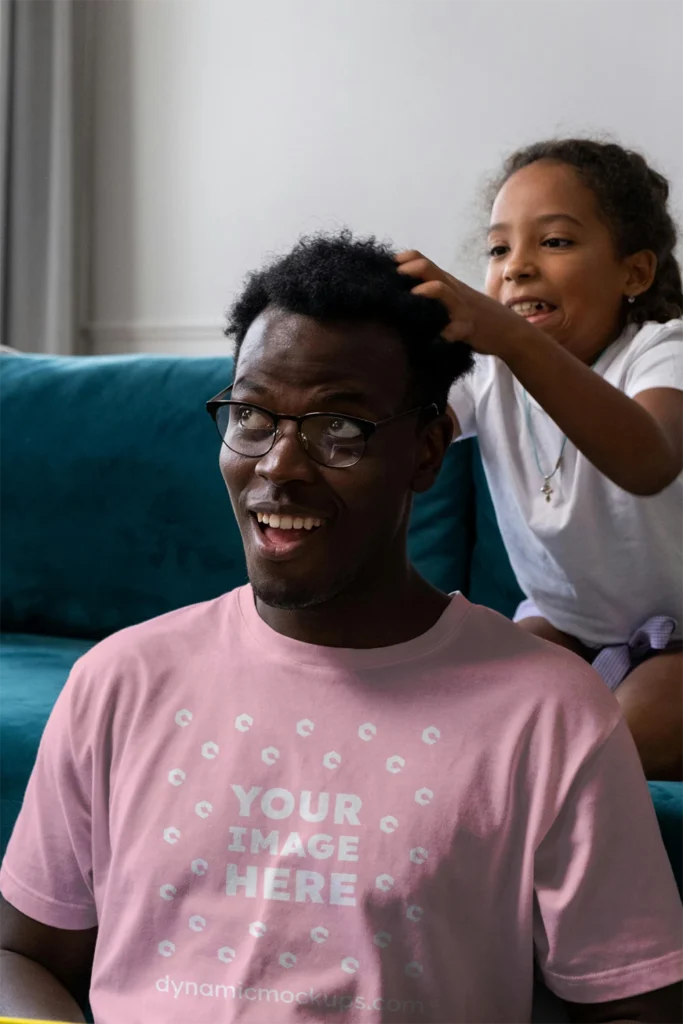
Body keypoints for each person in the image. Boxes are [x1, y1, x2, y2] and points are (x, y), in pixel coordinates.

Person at [1, 232, 682, 1023]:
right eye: (252, 415)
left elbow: (638, 1008)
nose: (279, 464)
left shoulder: (548, 714)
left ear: (427, 451)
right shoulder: (119, 681)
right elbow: (22, 954)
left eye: (339, 429)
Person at [397, 139, 683, 782]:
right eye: (499, 249)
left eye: (553, 242)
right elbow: (411, 432)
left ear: (633, 274)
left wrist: (511, 338)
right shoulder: (488, 370)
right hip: (568, 625)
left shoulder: (663, 351)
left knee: (615, 746)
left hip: (681, 640)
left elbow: (651, 460)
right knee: (464, 716)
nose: (516, 266)